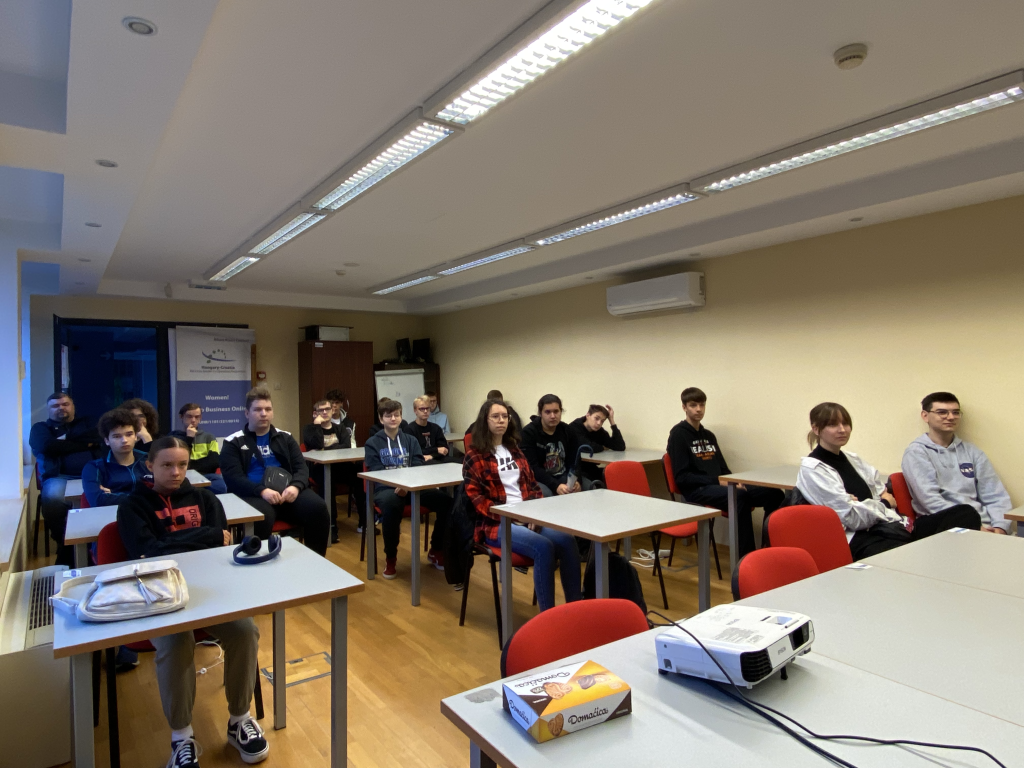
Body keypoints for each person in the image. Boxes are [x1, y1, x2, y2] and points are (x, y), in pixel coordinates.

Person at [117, 436, 268, 768]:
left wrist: (172, 541)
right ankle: (181, 736)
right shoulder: (132, 505)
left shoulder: (205, 499)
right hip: (159, 596)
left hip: (209, 590)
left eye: (182, 465)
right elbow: (147, 551)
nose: (176, 472)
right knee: (175, 641)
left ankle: (239, 719)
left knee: (245, 630)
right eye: (167, 465)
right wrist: (204, 536)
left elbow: (219, 547)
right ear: (150, 465)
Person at [797, 402, 980, 560]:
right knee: (908, 555)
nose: (842, 430)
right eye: (832, 425)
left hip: (890, 525)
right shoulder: (813, 469)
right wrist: (882, 503)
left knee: (965, 513)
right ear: (816, 429)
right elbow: (853, 518)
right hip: (862, 539)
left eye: (845, 423)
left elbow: (882, 493)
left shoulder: (853, 459)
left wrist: (864, 504)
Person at [463, 399, 581, 611]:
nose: (501, 420)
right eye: (495, 416)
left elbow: (533, 486)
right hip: (496, 524)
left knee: (567, 540)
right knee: (543, 547)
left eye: (504, 416)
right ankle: (548, 617)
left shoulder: (514, 449)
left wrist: (534, 514)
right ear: (485, 421)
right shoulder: (475, 455)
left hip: (527, 516)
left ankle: (576, 608)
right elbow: (477, 499)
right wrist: (512, 517)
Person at [666, 387, 783, 559]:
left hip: (718, 485)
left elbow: (723, 468)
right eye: (693, 405)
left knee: (774, 494)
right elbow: (682, 478)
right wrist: (719, 481)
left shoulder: (709, 435)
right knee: (739, 496)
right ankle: (747, 558)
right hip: (696, 489)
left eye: (702, 405)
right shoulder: (678, 435)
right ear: (684, 407)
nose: (698, 409)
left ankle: (769, 549)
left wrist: (733, 481)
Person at [221, 386, 330, 556]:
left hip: (287, 493)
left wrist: (295, 486)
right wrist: (262, 491)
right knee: (261, 517)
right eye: (257, 409)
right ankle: (259, 563)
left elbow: (301, 468)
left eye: (268, 409)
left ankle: (315, 561)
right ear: (247, 413)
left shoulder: (285, 437)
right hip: (254, 495)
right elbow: (233, 478)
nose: (263, 414)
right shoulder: (233, 442)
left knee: (318, 508)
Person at [364, 399, 452, 579]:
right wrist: (399, 485)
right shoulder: (372, 443)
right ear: (381, 419)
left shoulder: (410, 440)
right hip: (385, 488)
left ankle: (436, 549)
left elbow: (418, 465)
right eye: (388, 416)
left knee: (447, 502)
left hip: (412, 486)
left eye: (396, 415)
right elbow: (376, 470)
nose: (393, 419)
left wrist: (407, 485)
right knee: (392, 505)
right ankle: (391, 557)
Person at [901, 392, 1012, 534]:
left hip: (983, 524)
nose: (951, 417)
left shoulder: (972, 452)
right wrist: (975, 528)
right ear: (925, 416)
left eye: (955, 412)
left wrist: (1000, 528)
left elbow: (996, 496)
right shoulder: (916, 452)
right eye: (942, 412)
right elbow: (930, 501)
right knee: (965, 514)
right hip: (943, 524)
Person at [29, 392, 101, 566]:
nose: (61, 408)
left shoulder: (88, 422)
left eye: (65, 404)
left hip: (92, 475)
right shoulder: (40, 428)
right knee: (53, 497)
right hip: (58, 477)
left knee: (109, 494)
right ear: (48, 410)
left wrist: (63, 440)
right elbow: (46, 446)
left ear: (73, 406)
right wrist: (84, 443)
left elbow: (97, 436)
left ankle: (96, 543)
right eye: (55, 406)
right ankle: (66, 543)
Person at [301, 398, 366, 542]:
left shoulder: (340, 428)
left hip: (340, 467)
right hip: (319, 469)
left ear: (332, 411)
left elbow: (346, 447)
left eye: (327, 409)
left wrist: (323, 449)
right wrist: (317, 426)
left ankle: (364, 522)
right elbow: (316, 443)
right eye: (321, 410)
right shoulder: (309, 429)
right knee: (327, 482)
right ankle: (331, 527)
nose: (325, 412)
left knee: (360, 476)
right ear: (315, 413)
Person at [82, 408, 153, 507]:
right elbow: (97, 500)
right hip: (112, 515)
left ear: (136, 437)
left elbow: (166, 493)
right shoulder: (95, 467)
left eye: (129, 434)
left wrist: (114, 494)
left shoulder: (149, 460)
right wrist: (146, 497)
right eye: (117, 436)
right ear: (107, 441)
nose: (124, 440)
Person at [520, 394, 582, 496]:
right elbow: (532, 467)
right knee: (547, 494)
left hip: (563, 476)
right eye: (548, 412)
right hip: (539, 478)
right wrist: (556, 486)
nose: (553, 416)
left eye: (556, 411)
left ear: (561, 411)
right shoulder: (528, 433)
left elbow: (575, 461)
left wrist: (577, 481)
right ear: (540, 413)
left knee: (588, 486)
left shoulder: (568, 430)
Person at [169, 403, 227, 494]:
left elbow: (214, 462)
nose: (193, 420)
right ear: (181, 417)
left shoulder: (209, 437)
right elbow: (178, 462)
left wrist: (191, 466)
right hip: (181, 475)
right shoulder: (173, 437)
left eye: (197, 417)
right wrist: (189, 438)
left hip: (205, 475)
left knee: (220, 486)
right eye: (189, 416)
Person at [568, 404, 625, 486]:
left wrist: (612, 421)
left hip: (590, 468)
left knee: (616, 478)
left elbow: (620, 446)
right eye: (596, 418)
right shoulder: (574, 428)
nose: (599, 423)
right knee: (596, 485)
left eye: (602, 421)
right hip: (575, 470)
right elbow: (588, 447)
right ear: (588, 415)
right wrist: (603, 447)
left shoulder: (599, 431)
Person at [404, 395, 450, 462]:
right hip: (419, 461)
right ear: (415, 410)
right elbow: (413, 451)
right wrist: (436, 450)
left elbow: (444, 449)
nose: (425, 411)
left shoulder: (436, 428)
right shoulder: (409, 429)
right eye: (422, 409)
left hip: (436, 458)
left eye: (427, 408)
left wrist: (432, 456)